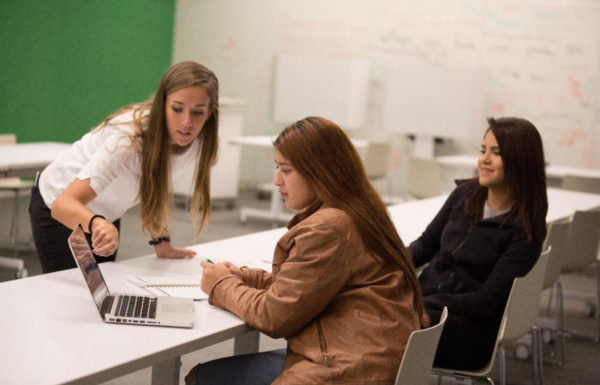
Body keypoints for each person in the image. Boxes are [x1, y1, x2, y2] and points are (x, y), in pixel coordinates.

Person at [186, 117, 428, 385]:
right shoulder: (360, 209)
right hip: (370, 359)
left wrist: (220, 284)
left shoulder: (329, 226)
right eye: (277, 168)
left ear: (320, 171)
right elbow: (308, 287)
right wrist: (246, 278)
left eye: (286, 170)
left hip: (344, 370)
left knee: (203, 378)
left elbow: (274, 317)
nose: (277, 180)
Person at [29, 61, 219, 273]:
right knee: (72, 293)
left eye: (198, 112)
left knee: (100, 289)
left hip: (104, 215)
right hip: (60, 205)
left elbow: (155, 182)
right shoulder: (129, 139)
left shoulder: (200, 140)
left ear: (210, 112)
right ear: (162, 104)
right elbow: (63, 203)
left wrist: (162, 243)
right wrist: (98, 224)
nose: (186, 122)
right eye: (177, 109)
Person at [409, 117, 548, 370]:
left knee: (387, 324)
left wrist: (424, 304)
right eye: (483, 150)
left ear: (521, 161)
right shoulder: (465, 194)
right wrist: (388, 264)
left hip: (469, 330)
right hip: (426, 307)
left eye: (496, 153)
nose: (484, 159)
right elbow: (425, 245)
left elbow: (485, 301)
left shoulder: (525, 230)